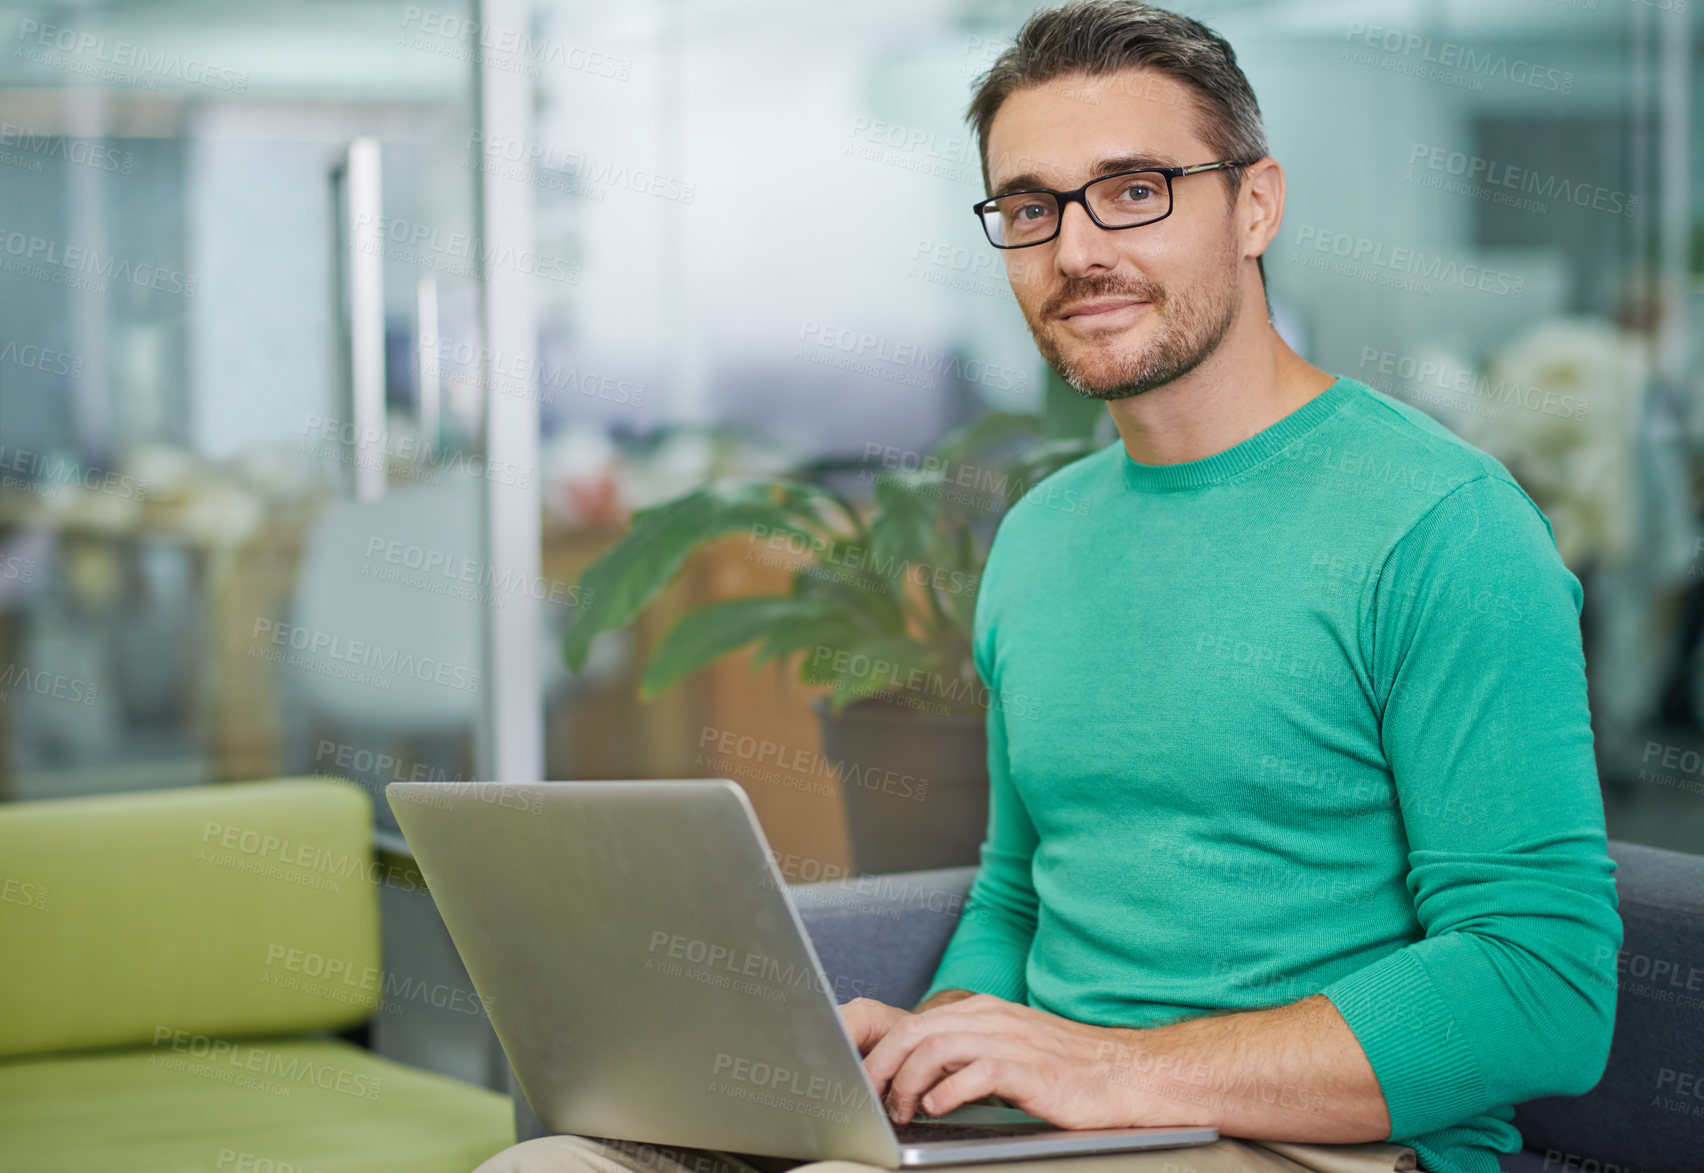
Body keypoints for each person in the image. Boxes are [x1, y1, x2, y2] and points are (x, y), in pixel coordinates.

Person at [479, 3, 1621, 1171]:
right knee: (548, 1165)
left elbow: (1541, 986)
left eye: (1134, 190)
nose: (1077, 252)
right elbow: (1018, 897)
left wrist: (1117, 1072)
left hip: (1316, 1147)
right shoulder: (1040, 537)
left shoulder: (1443, 526)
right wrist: (943, 1046)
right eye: (1032, 208)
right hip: (1052, 1131)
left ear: (1256, 205)